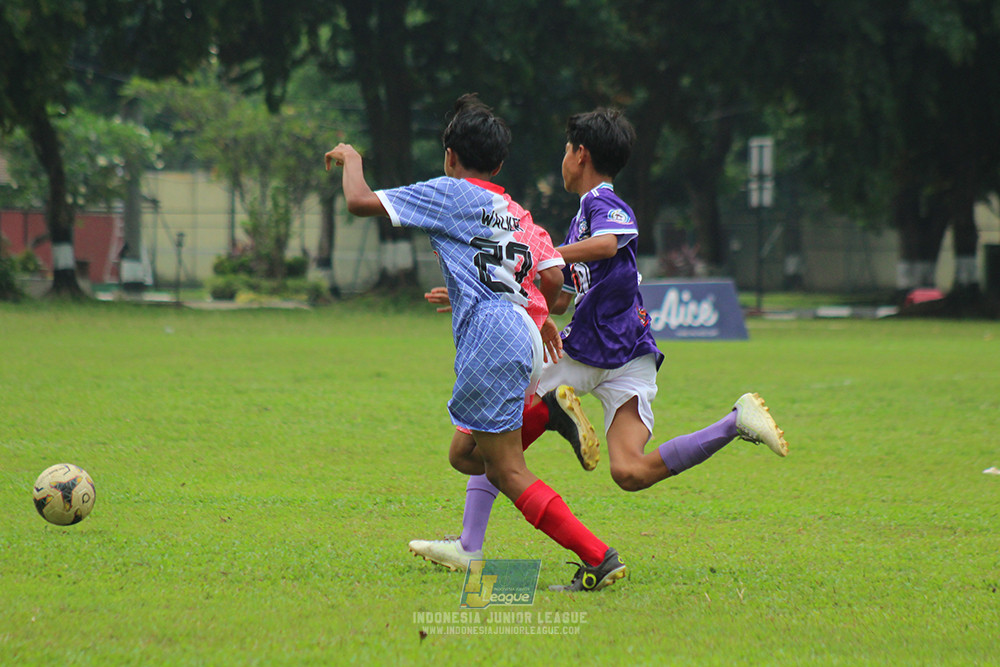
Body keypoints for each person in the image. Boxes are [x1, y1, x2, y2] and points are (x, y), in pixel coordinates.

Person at [408, 107, 789, 578]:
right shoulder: (578, 223)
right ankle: (733, 422)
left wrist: (536, 254)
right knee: (623, 471)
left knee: (481, 450)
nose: (563, 160)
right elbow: (561, 300)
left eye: (566, 151)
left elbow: (608, 245)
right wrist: (491, 286)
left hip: (596, 352)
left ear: (581, 153)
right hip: (623, 354)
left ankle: (484, 522)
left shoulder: (602, 202)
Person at [325, 94, 627, 592]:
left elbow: (360, 202)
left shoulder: (450, 192)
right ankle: (543, 419)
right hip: (524, 333)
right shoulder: (515, 211)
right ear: (501, 163)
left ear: (449, 157)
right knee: (465, 453)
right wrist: (515, 305)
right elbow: (553, 279)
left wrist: (354, 160)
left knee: (509, 471)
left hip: (492, 338)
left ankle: (599, 555)